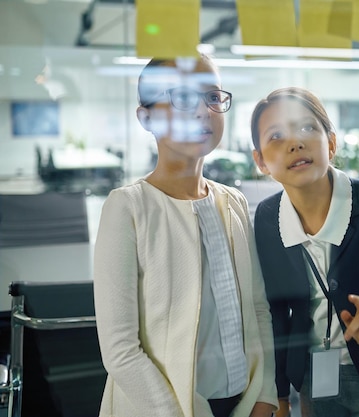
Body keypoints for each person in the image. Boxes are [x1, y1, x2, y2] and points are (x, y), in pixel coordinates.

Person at [93, 54, 278, 417]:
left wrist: (265, 394)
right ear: (146, 117)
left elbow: (258, 309)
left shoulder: (234, 202)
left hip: (241, 404)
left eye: (213, 97)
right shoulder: (128, 207)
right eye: (182, 97)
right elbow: (120, 351)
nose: (203, 111)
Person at [250, 87, 359, 417]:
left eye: (308, 128)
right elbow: (275, 314)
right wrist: (278, 395)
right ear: (261, 161)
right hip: (310, 375)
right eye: (276, 135)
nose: (295, 143)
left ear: (332, 143)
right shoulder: (267, 218)